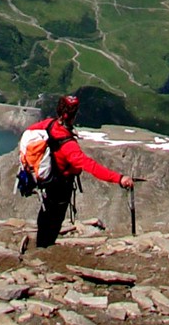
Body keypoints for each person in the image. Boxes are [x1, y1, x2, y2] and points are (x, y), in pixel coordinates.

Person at [29, 94, 134, 248]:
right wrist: (119, 178)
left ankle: (41, 244)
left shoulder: (49, 124)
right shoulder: (68, 144)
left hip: (47, 181)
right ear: (74, 114)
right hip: (61, 185)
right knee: (55, 218)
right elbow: (90, 166)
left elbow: (31, 132)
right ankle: (45, 247)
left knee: (46, 214)